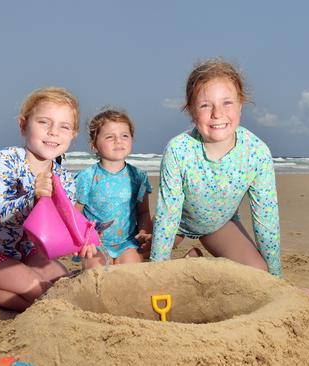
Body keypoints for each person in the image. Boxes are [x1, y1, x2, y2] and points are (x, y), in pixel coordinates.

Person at [0, 87, 94, 312]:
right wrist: (33, 197)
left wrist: (81, 240)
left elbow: (63, 223)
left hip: (27, 253)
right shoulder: (7, 160)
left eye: (64, 126)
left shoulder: (65, 178)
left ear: (73, 134)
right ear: (23, 125)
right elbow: (0, 213)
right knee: (37, 290)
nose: (53, 132)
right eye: (44, 122)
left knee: (65, 285)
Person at [150, 59, 283, 278]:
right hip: (177, 223)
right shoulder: (178, 150)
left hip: (218, 225)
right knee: (143, 260)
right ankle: (187, 264)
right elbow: (168, 215)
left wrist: (278, 281)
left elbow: (266, 220)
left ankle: (194, 264)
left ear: (241, 104)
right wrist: (156, 274)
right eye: (205, 105)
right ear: (192, 111)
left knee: (259, 273)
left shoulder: (257, 153)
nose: (217, 113)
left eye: (227, 103)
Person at [75, 108, 152, 269]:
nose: (118, 140)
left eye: (125, 135)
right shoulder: (86, 177)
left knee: (130, 271)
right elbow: (75, 214)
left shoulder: (138, 176)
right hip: (95, 243)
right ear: (94, 144)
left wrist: (144, 232)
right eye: (110, 137)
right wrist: (83, 239)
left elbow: (143, 211)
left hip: (127, 242)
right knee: (96, 272)